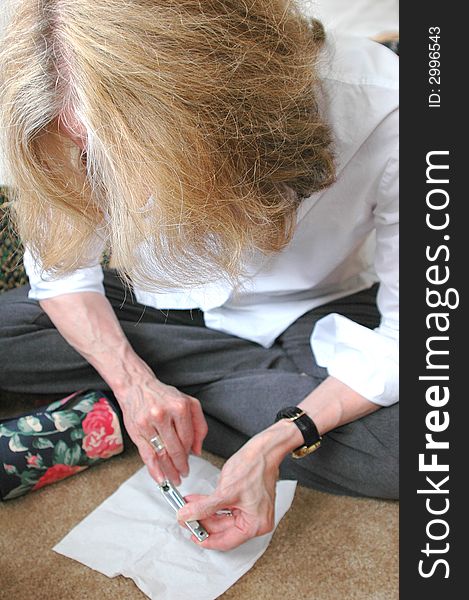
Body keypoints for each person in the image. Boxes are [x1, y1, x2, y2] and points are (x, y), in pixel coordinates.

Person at [0, 0, 398, 551]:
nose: (118, 191)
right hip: (153, 297)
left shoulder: (397, 113)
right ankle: (179, 398)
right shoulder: (65, 117)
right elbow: (62, 272)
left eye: (129, 160)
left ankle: (169, 403)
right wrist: (132, 382)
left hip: (314, 310)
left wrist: (279, 441)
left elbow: (411, 336)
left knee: (414, 449)